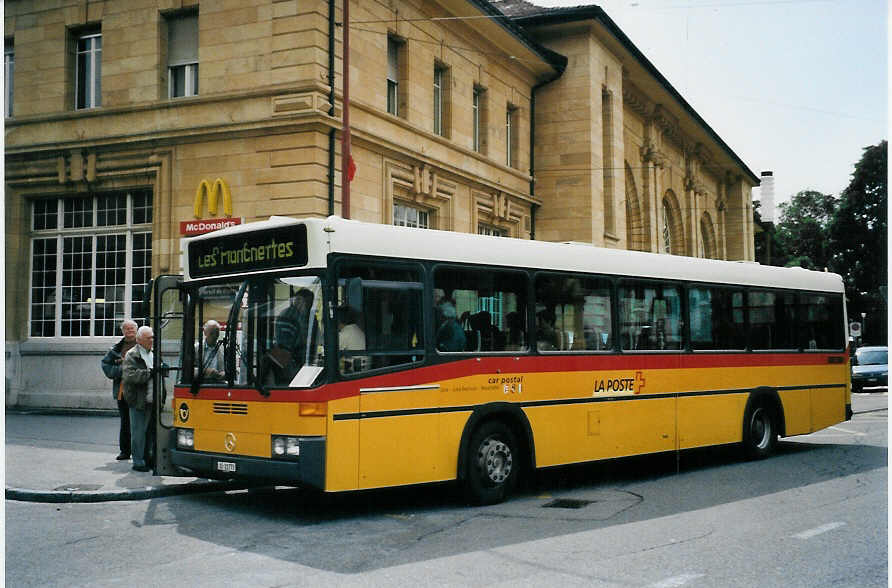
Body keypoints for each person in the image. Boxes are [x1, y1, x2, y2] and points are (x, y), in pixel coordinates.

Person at [101, 319, 139, 461]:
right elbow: (106, 365)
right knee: (125, 422)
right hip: (122, 391)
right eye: (126, 329)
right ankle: (125, 451)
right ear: (122, 331)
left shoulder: (143, 345)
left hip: (138, 391)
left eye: (132, 329)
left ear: (136, 330)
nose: (129, 331)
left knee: (139, 422)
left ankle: (140, 452)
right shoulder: (116, 348)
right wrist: (120, 370)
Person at [122, 326, 155, 472]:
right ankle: (138, 461)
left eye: (152, 337)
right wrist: (149, 373)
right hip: (138, 400)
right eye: (149, 338)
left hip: (152, 399)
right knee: (138, 432)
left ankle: (148, 458)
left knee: (149, 432)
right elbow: (130, 376)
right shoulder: (132, 354)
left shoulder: (153, 354)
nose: (152, 340)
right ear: (140, 340)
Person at [337, 305, 367, 372]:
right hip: (363, 369)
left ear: (338, 321)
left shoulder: (344, 334)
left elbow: (332, 355)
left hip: (353, 371)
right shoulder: (357, 330)